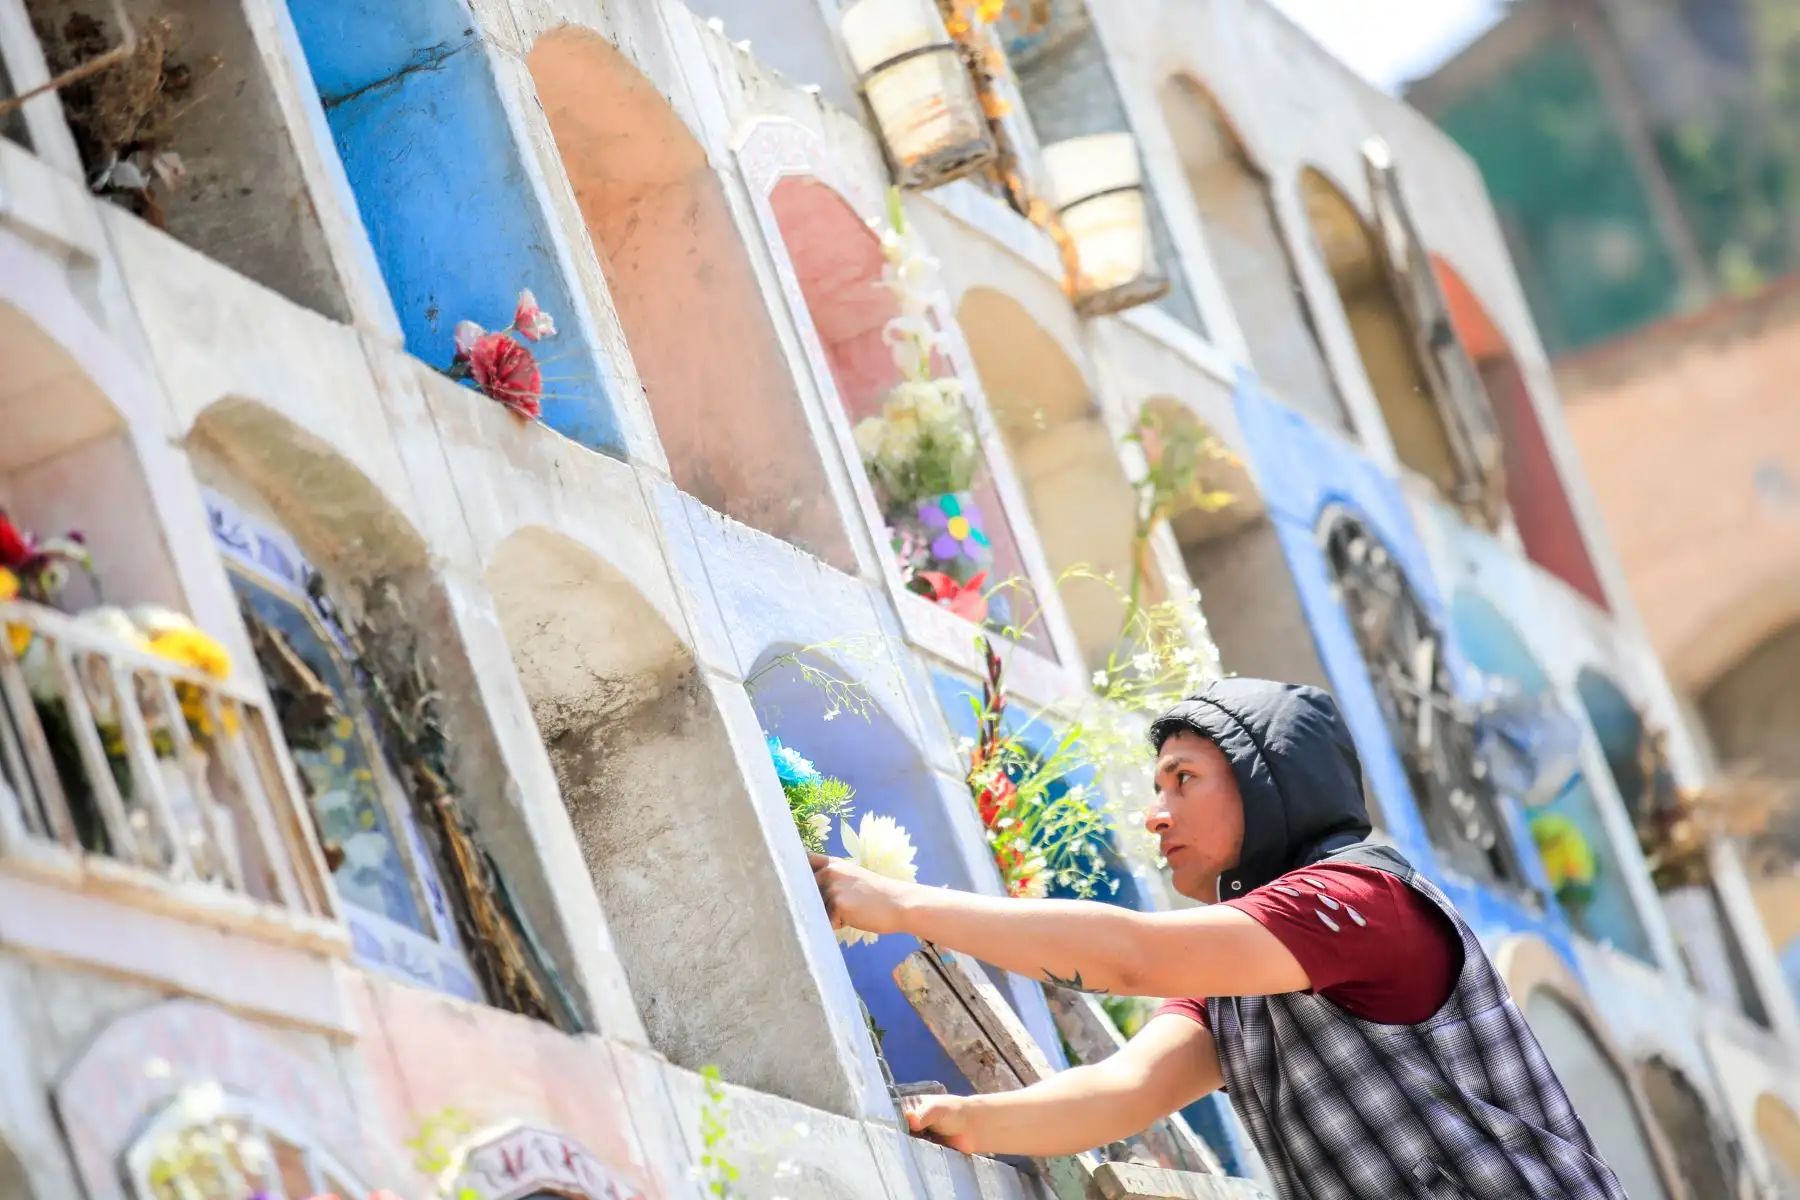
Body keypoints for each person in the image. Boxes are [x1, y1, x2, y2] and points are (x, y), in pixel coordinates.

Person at [811, 678, 1628, 1200]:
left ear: (1269, 784)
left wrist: (899, 903)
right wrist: (968, 1121)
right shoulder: (1240, 980)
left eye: (1184, 780)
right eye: (1156, 786)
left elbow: (1128, 958)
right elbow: (1127, 1089)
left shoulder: (1360, 903)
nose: (1155, 815)